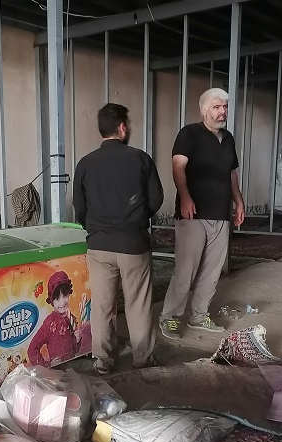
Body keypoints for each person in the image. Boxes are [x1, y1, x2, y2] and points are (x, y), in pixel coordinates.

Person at [73, 103, 164, 375]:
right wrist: (137, 219)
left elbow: (79, 207)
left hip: (99, 246)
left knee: (102, 306)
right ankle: (143, 359)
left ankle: (103, 361)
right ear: (122, 128)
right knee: (138, 304)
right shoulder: (140, 159)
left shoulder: (85, 164)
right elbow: (156, 199)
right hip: (133, 245)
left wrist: (95, 228)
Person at [159, 88, 244, 340]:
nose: (222, 112)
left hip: (220, 213)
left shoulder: (228, 138)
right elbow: (178, 167)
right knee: (186, 270)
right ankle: (170, 317)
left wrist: (238, 201)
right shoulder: (189, 134)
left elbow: (231, 173)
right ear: (204, 110)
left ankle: (198, 316)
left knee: (212, 271)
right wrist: (185, 197)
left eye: (225, 107)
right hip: (193, 213)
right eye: (217, 107)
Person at [28, 270, 82, 367]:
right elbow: (32, 349)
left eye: (65, 296)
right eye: (57, 299)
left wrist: (77, 341)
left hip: (72, 367)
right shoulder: (50, 323)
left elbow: (74, 350)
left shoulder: (71, 318)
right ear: (51, 300)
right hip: (57, 371)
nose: (62, 302)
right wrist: (46, 366)